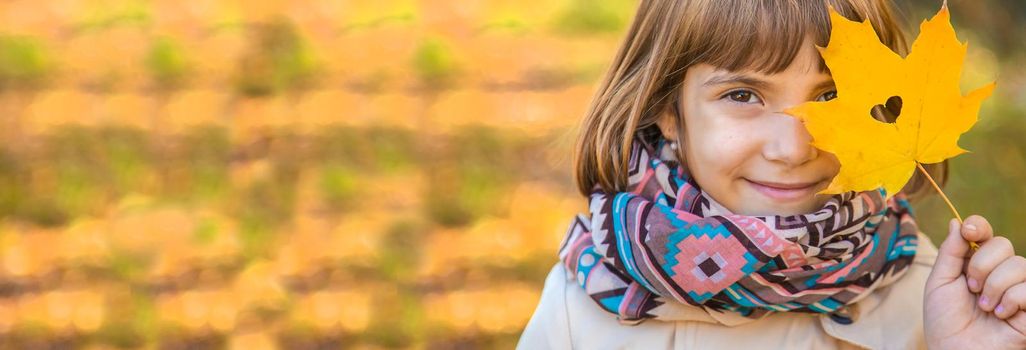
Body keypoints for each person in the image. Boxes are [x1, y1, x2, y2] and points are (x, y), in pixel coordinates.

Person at [516, 0, 1026, 349]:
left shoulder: (933, 304)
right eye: (743, 96)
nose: (793, 148)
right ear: (667, 111)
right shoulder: (581, 309)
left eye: (830, 97)